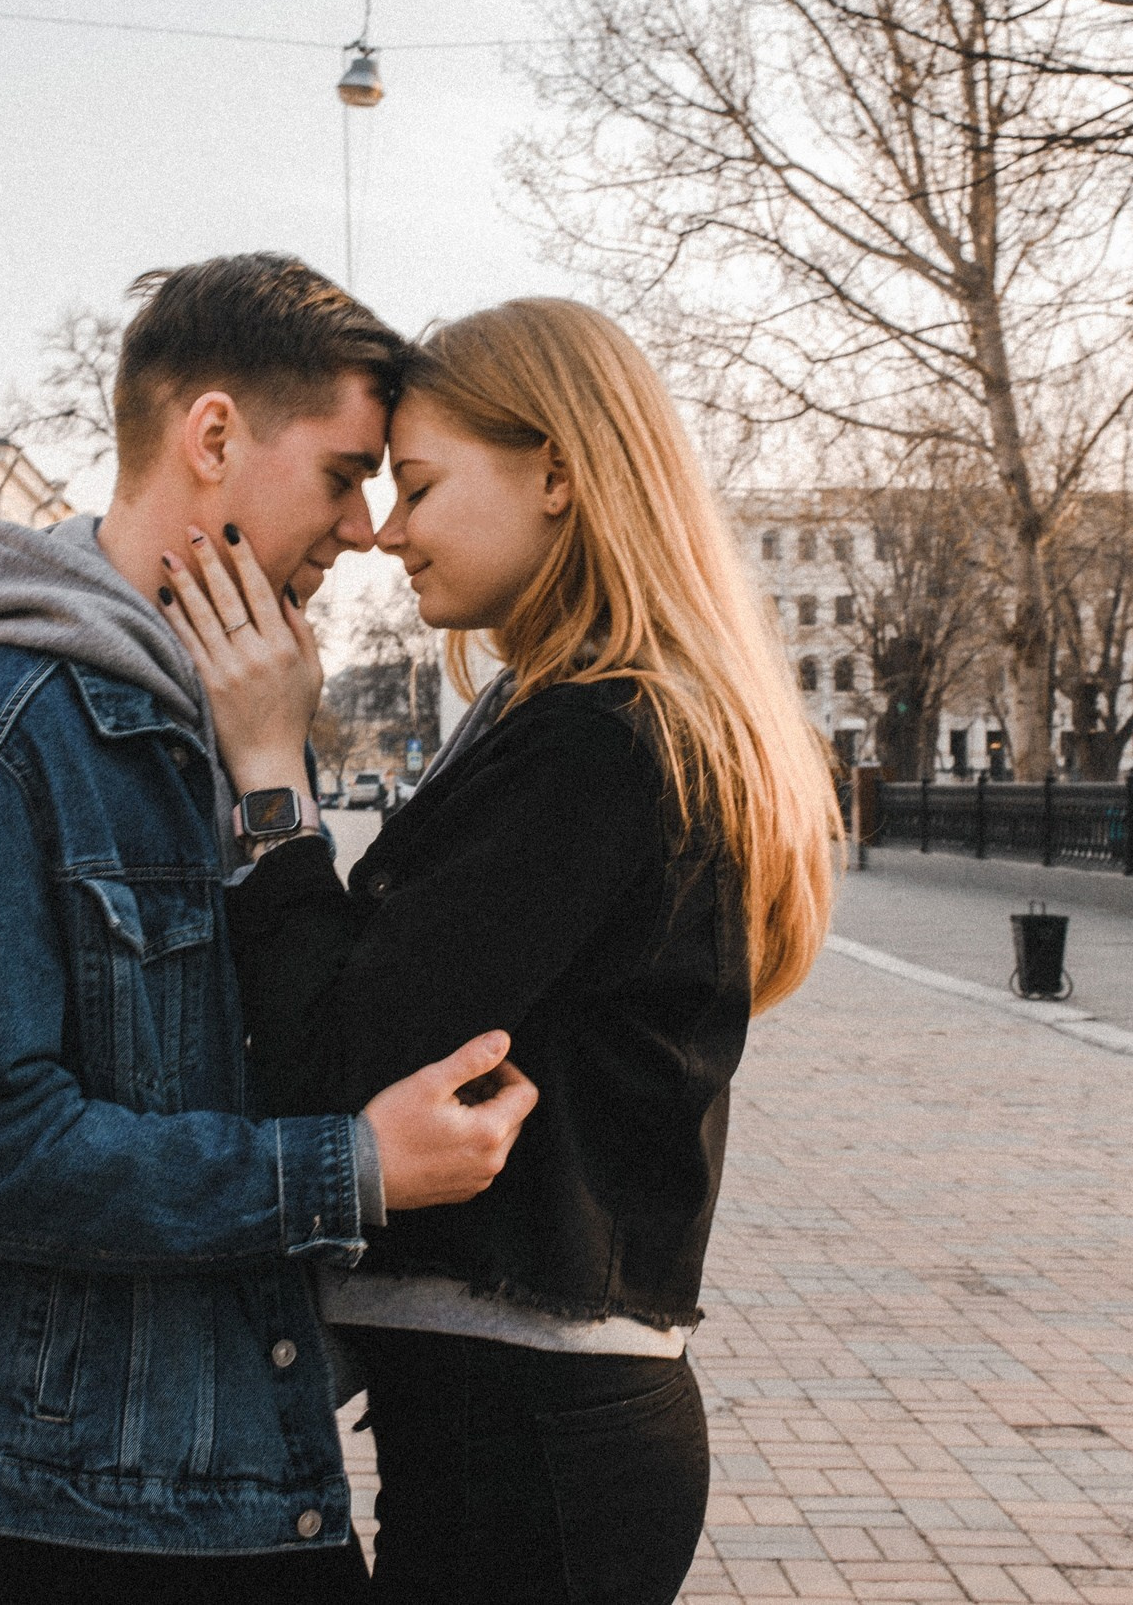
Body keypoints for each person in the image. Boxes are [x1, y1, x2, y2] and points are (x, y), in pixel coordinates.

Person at [0, 253, 543, 1605]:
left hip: (223, 1456)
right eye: (341, 472)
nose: (363, 528)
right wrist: (351, 1166)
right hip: (89, 1496)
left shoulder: (210, 714)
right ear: (213, 435)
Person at [159, 297, 841, 1605]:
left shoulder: (598, 738)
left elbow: (335, 1055)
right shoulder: (577, 714)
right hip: (531, 1414)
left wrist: (265, 768)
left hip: (534, 1426)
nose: (386, 531)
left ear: (560, 472)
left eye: (418, 484)